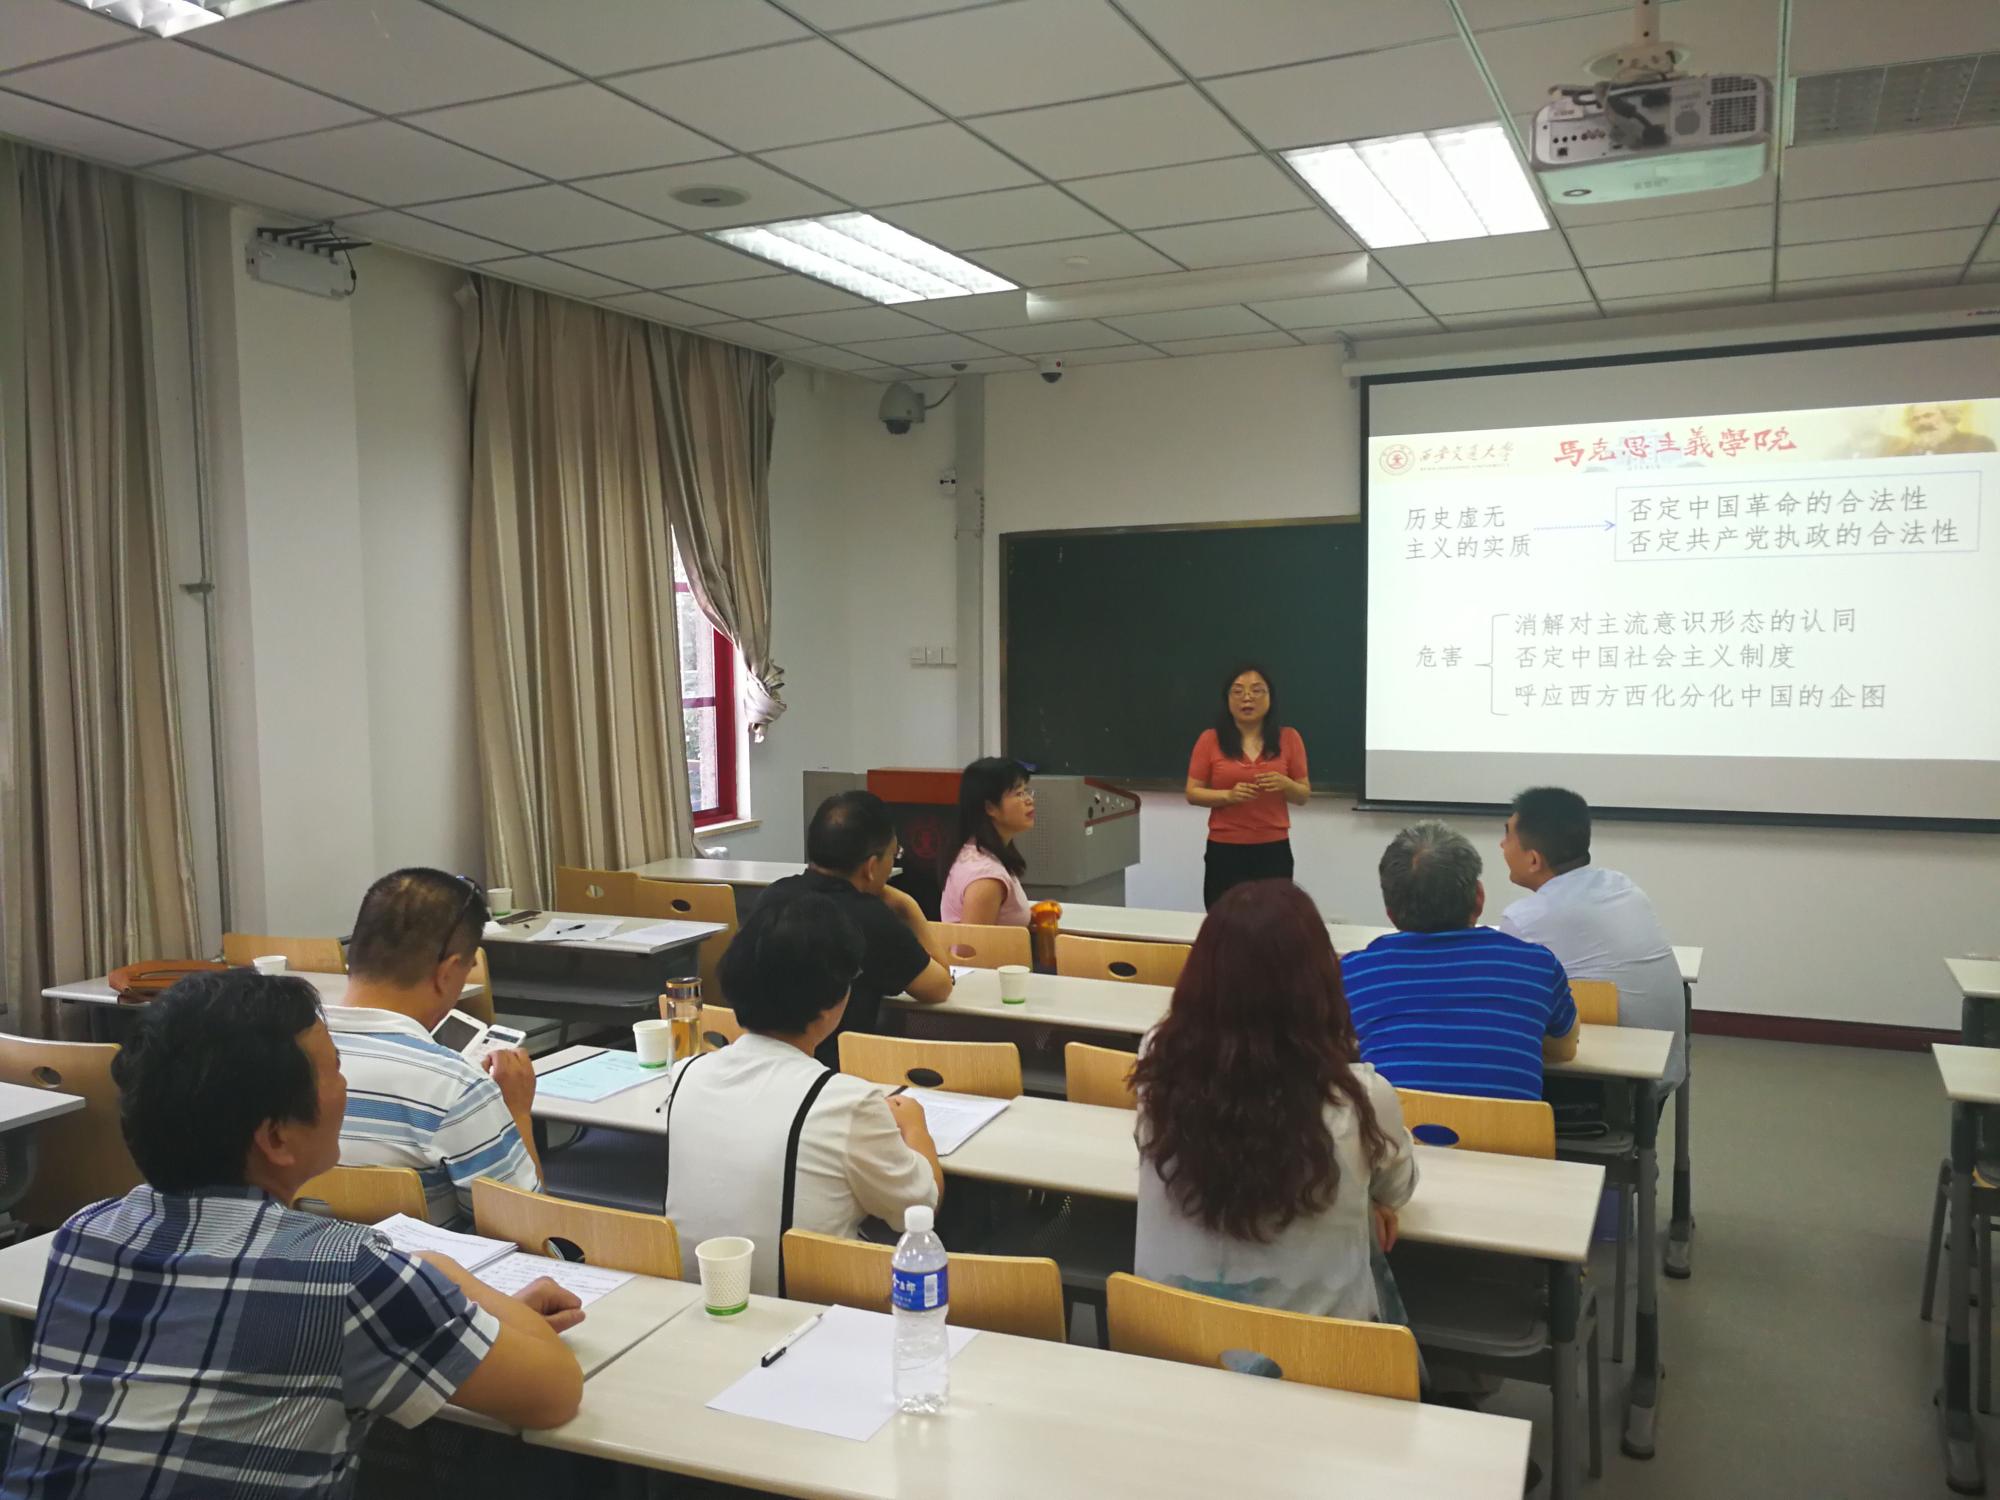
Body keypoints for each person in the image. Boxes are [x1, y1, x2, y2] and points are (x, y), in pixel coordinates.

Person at [0, 970, 585, 1499]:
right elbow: (554, 1393)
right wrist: (441, 1271)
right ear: (276, 1138)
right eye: (334, 1068)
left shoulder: (85, 1235)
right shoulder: (348, 1274)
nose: (345, 1083)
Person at [1133, 880, 1416, 1323]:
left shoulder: (1159, 1061)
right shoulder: (1360, 1096)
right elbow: (1397, 1189)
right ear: (1321, 979)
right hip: (1318, 1351)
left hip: (1170, 1335)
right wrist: (1368, 1199)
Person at [661, 894, 942, 1297]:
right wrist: (915, 1127)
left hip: (698, 1301)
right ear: (831, 1004)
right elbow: (919, 1208)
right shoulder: (848, 1102)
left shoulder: (687, 1074)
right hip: (804, 1312)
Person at [326, 868, 541, 1227]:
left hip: (296, 1256)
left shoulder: (277, 1052)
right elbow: (526, 1225)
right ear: (448, 972)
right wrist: (516, 1112)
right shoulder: (456, 1086)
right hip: (423, 1263)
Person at [1343, 820, 1578, 1102]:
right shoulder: (1536, 966)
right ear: (1479, 898)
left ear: (1390, 913)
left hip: (1399, 1127)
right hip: (1507, 1130)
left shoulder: (1354, 974)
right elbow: (1565, 1050)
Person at [1497, 787, 1686, 1090]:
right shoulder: (1623, 886)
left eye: (1507, 836)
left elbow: (1505, 1010)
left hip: (1608, 1091)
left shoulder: (1526, 920)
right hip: (1658, 1078)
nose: (1501, 844)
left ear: (1533, 860)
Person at [757, 791, 953, 1067]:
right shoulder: (870, 918)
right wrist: (909, 907)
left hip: (766, 1062)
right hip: (837, 1069)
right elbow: (940, 987)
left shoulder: (773, 895)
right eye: (893, 855)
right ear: (871, 867)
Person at [1185, 664, 1310, 909]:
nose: (1247, 697)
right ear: (1227, 699)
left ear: (1270, 697)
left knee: (1274, 918)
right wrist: (1228, 796)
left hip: (1273, 848)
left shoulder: (1289, 738)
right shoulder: (1210, 739)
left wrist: (1285, 784)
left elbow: (1303, 795)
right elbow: (1192, 792)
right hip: (1225, 848)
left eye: (1257, 690)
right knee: (1224, 917)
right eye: (1238, 691)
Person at [941, 757, 1036, 926]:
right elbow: (974, 942)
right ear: (990, 807)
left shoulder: (978, 850)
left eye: (1027, 791)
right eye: (1019, 794)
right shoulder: (986, 878)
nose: (1029, 800)